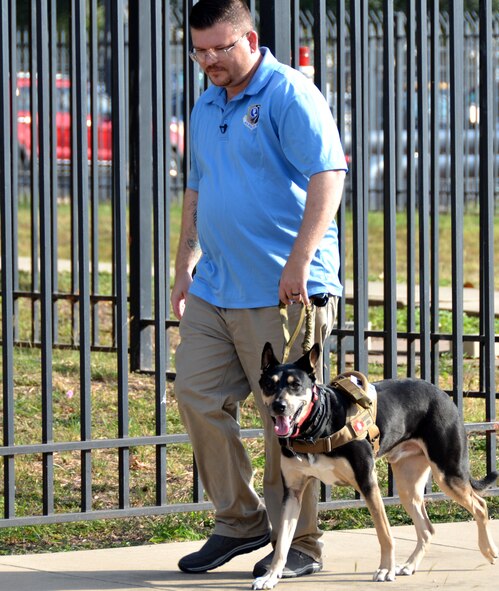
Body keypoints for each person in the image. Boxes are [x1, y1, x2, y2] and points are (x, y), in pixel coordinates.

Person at [171, 0, 347, 579]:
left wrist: (300, 262)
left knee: (288, 420)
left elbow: (329, 175)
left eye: (221, 47)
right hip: (216, 287)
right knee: (196, 395)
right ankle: (240, 522)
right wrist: (183, 268)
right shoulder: (205, 104)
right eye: (200, 50)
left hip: (284, 290)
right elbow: (198, 190)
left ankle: (300, 543)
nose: (210, 60)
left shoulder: (288, 93)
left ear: (250, 36)